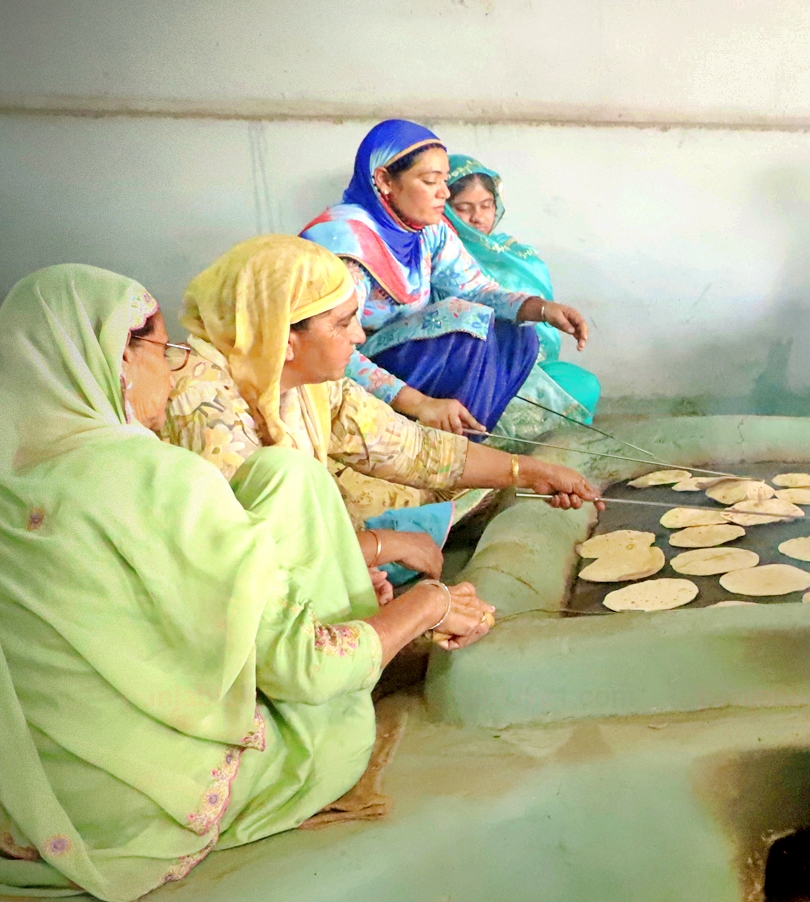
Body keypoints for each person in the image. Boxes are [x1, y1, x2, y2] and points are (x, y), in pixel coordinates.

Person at [0, 265, 495, 902]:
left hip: (3, 790)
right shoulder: (161, 472)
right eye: (162, 349)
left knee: (286, 477)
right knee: (336, 732)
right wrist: (428, 604)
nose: (175, 368)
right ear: (118, 360)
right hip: (121, 807)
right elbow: (305, 670)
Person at [162, 236, 599, 578]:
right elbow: (249, 553)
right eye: (342, 324)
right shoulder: (202, 403)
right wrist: (379, 547)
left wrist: (530, 472)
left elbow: (411, 448)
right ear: (284, 338)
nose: (358, 337)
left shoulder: (309, 385)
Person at [300, 119, 594, 442]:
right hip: (352, 371)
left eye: (444, 180)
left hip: (412, 361)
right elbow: (327, 344)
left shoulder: (428, 230)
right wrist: (420, 403)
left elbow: (476, 288)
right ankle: (433, 441)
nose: (444, 192)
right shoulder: (347, 244)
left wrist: (542, 309)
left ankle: (466, 440)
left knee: (517, 334)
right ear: (384, 180)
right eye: (430, 181)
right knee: (464, 321)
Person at [444, 154, 602, 422]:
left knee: (583, 385)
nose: (477, 217)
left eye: (486, 206)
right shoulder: (441, 254)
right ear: (444, 208)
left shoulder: (517, 255)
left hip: (526, 366)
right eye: (463, 208)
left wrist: (542, 311)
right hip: (470, 371)